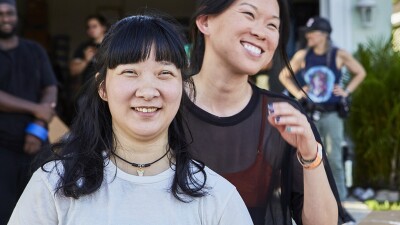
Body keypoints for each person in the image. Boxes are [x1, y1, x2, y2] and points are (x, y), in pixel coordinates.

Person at [8, 14, 253, 225]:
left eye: (164, 73)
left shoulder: (216, 196)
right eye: (130, 72)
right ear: (102, 88)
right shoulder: (54, 186)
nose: (148, 91)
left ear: (183, 88)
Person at [185, 0, 351, 224]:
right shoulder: (164, 105)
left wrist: (311, 155)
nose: (262, 33)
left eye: (272, 25)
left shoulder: (285, 117)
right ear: (205, 22)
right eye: (248, 14)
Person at [279, 16, 366, 205]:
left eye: (312, 32)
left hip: (333, 114)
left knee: (334, 158)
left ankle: (340, 202)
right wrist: (300, 94)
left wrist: (346, 92)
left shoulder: (338, 54)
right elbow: (284, 76)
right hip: (310, 114)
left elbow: (360, 72)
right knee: (307, 156)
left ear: (324, 35)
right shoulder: (303, 55)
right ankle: (310, 200)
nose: (308, 36)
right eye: (308, 32)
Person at [0, 0, 58, 224]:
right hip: (2, 147)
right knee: (5, 210)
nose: (5, 19)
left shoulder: (34, 50)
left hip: (36, 143)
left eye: (9, 13)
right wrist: (37, 109)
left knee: (40, 207)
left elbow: (50, 87)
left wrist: (38, 128)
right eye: (1, 14)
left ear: (16, 16)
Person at [69, 14, 108, 87]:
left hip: (107, 87)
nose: (91, 29)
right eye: (88, 27)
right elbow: (73, 71)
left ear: (103, 27)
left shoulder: (112, 46)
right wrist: (86, 60)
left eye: (94, 26)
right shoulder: (84, 47)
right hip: (88, 88)